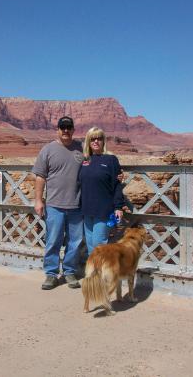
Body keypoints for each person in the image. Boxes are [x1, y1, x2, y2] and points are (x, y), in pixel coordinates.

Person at [32, 116, 85, 290]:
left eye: (69, 127)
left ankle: (69, 271)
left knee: (74, 242)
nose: (66, 130)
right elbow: (40, 177)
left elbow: (94, 166)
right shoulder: (48, 150)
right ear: (58, 129)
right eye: (63, 127)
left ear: (73, 129)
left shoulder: (81, 149)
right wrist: (39, 200)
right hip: (54, 205)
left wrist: (117, 174)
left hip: (77, 205)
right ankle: (51, 274)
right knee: (53, 240)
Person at [79, 126, 125, 255]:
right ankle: (94, 274)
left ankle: (98, 275)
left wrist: (118, 207)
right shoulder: (85, 160)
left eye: (99, 138)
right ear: (88, 141)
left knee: (98, 246)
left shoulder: (111, 160)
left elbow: (117, 185)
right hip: (86, 210)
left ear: (103, 141)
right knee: (90, 247)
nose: (96, 141)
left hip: (103, 210)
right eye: (92, 139)